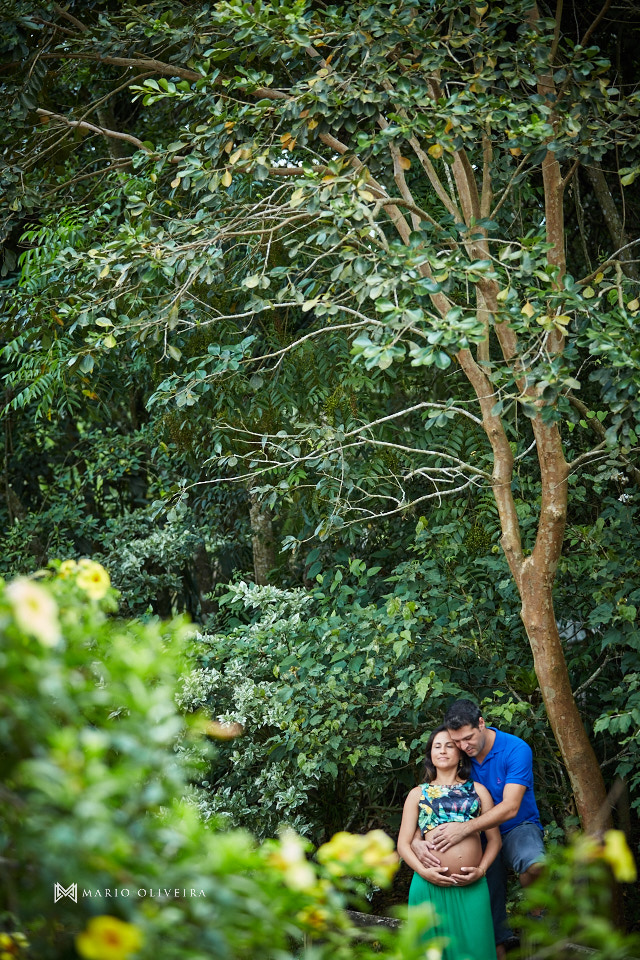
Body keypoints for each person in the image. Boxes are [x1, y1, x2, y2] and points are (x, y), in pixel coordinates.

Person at [412, 700, 545, 959]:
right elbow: (432, 799)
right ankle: (497, 946)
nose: (463, 746)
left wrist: (463, 829)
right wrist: (416, 838)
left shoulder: (516, 749)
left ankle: (537, 913)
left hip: (516, 826)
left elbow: (510, 807)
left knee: (535, 863)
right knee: (485, 885)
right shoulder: (462, 757)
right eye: (457, 741)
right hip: (477, 837)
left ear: (481, 723)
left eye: (468, 738)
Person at [398, 725, 501, 960]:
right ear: (430, 755)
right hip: (429, 885)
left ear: (460, 754)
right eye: (437, 746)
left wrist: (482, 871)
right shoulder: (417, 793)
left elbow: (495, 840)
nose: (443, 751)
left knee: (477, 951)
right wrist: (425, 872)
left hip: (472, 886)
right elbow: (403, 844)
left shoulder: (479, 790)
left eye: (449, 746)